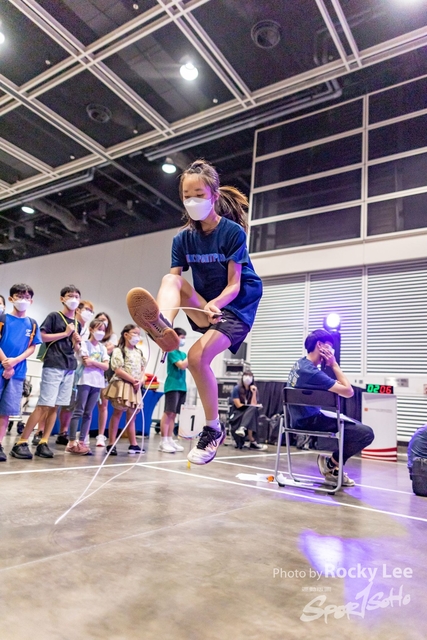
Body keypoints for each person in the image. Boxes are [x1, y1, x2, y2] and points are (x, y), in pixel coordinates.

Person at [127, 159, 263, 465]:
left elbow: (234, 284)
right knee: (170, 279)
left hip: (236, 305)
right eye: (187, 196)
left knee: (197, 358)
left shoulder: (232, 232)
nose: (192, 201)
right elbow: (176, 282)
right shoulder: (182, 239)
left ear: (214, 195)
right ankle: (162, 326)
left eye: (199, 195)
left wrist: (218, 304)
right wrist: (183, 314)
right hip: (207, 305)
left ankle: (213, 429)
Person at [287, 329, 374, 487]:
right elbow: (349, 391)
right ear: (320, 345)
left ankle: (334, 470)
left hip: (296, 420)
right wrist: (334, 364)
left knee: (352, 427)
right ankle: (330, 464)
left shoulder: (300, 364)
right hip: (310, 420)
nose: (332, 351)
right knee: (365, 433)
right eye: (329, 346)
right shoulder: (312, 373)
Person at [10, 285, 82, 460]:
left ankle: (44, 441)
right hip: (54, 363)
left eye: (76, 296)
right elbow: (42, 337)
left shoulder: (77, 323)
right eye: (70, 295)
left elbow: (75, 348)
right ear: (62, 298)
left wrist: (77, 342)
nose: (73, 299)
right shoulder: (54, 316)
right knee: (44, 404)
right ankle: (22, 441)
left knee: (55, 406)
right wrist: (64, 333)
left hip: (69, 367)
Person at [0, 284, 42, 462]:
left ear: (31, 301)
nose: (23, 300)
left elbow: (32, 347)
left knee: (5, 412)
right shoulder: (2, 319)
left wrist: (15, 362)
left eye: (26, 297)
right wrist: (6, 363)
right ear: (11, 299)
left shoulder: (32, 324)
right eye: (19, 296)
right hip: (3, 368)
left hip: (17, 374)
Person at [52, 300, 95, 447]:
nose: (89, 313)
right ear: (78, 310)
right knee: (52, 402)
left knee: (69, 404)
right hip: (61, 364)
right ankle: (40, 431)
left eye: (91, 311)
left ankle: (63, 432)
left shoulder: (87, 330)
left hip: (77, 370)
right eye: (87, 310)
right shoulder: (70, 325)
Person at [66, 319, 109, 455]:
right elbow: (86, 362)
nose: (101, 332)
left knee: (88, 413)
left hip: (97, 382)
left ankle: (82, 441)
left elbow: (106, 366)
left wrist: (94, 362)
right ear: (91, 329)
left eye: (103, 330)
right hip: (84, 380)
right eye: (99, 329)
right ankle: (71, 441)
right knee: (78, 410)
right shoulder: (84, 344)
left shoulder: (102, 348)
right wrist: (98, 364)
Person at [103, 324, 146, 456]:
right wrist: (133, 380)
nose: (137, 336)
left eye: (138, 334)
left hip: (135, 386)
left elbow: (143, 369)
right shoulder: (119, 350)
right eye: (134, 333)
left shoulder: (139, 352)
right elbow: (118, 369)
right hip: (123, 384)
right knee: (117, 413)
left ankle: (133, 444)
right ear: (126, 335)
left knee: (132, 416)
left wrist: (140, 380)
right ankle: (111, 443)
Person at [158, 328, 187, 453]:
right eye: (181, 337)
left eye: (184, 337)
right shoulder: (171, 352)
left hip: (182, 386)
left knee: (174, 414)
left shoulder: (183, 354)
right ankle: (163, 440)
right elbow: (182, 365)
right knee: (168, 412)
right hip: (172, 385)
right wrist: (193, 354)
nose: (183, 340)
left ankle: (169, 439)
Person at [94, 311, 118, 448]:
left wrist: (96, 356)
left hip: (104, 375)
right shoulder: (91, 336)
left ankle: (101, 435)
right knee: (87, 406)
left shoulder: (112, 337)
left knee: (103, 405)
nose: (102, 322)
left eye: (105, 319)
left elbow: (108, 350)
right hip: (90, 373)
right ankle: (83, 435)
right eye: (99, 319)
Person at [230, 370, 266, 450]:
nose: (248, 378)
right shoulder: (237, 389)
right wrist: (249, 407)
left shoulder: (253, 389)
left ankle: (242, 428)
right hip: (238, 412)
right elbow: (238, 405)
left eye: (250, 376)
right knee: (252, 410)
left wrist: (254, 393)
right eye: (246, 376)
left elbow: (253, 404)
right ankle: (252, 440)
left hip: (248, 413)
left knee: (253, 410)